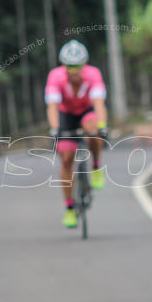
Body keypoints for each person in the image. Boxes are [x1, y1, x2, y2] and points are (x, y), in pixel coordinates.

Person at [45, 40, 108, 228]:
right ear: (64, 65)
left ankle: (96, 166)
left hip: (86, 111)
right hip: (66, 115)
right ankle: (70, 208)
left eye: (77, 66)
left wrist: (102, 125)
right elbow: (53, 107)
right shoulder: (55, 77)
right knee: (66, 158)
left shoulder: (93, 74)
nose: (74, 71)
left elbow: (98, 103)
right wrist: (55, 129)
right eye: (70, 66)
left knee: (93, 128)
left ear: (84, 64)